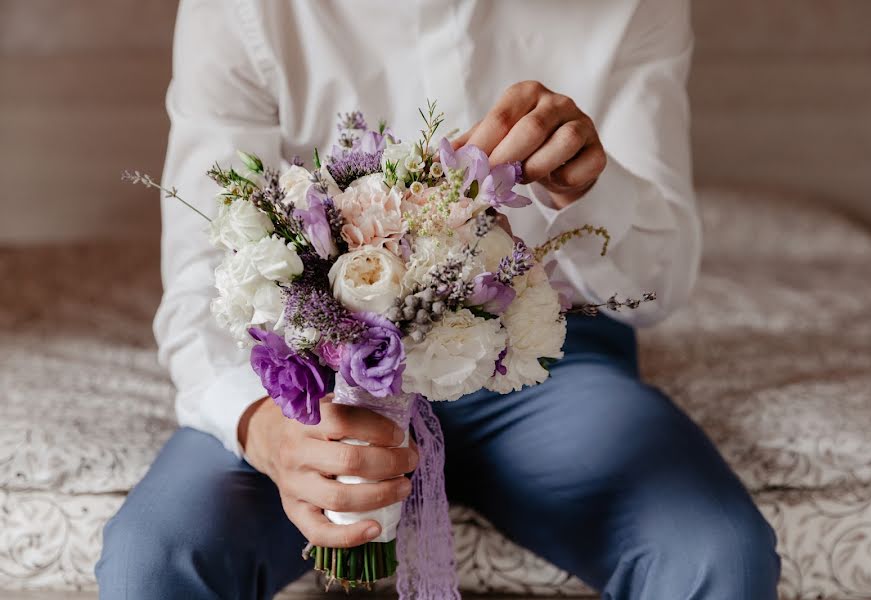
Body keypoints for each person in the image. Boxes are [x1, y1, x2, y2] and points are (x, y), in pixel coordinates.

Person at [96, 1, 781, 598]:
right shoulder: (243, 9)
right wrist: (267, 433)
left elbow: (656, 293)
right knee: (153, 558)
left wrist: (588, 193)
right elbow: (200, 282)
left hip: (550, 371)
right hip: (315, 378)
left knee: (716, 551)